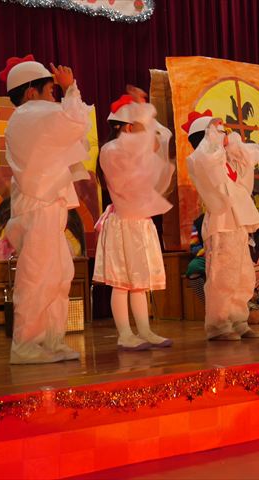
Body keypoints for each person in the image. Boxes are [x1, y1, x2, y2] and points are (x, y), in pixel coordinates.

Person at [0, 55, 90, 364]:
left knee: (59, 275)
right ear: (31, 92)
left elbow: (72, 127)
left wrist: (68, 92)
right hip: (38, 209)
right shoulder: (29, 115)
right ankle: (26, 345)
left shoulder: (30, 116)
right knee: (37, 278)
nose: (55, 95)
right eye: (51, 90)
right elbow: (75, 122)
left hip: (45, 208)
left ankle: (52, 341)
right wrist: (70, 87)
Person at [93, 87, 174, 350]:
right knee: (122, 282)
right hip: (123, 223)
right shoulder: (111, 150)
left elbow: (158, 142)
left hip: (140, 221)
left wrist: (143, 114)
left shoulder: (132, 149)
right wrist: (141, 113)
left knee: (139, 283)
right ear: (128, 128)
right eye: (139, 127)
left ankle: (145, 330)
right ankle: (125, 334)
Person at [184, 110, 259, 340]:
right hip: (221, 222)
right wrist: (215, 138)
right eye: (217, 132)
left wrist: (231, 142)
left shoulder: (225, 159)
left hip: (237, 221)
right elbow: (209, 159)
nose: (223, 135)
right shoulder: (201, 159)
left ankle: (238, 319)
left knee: (242, 273)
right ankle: (218, 324)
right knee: (222, 275)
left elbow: (246, 162)